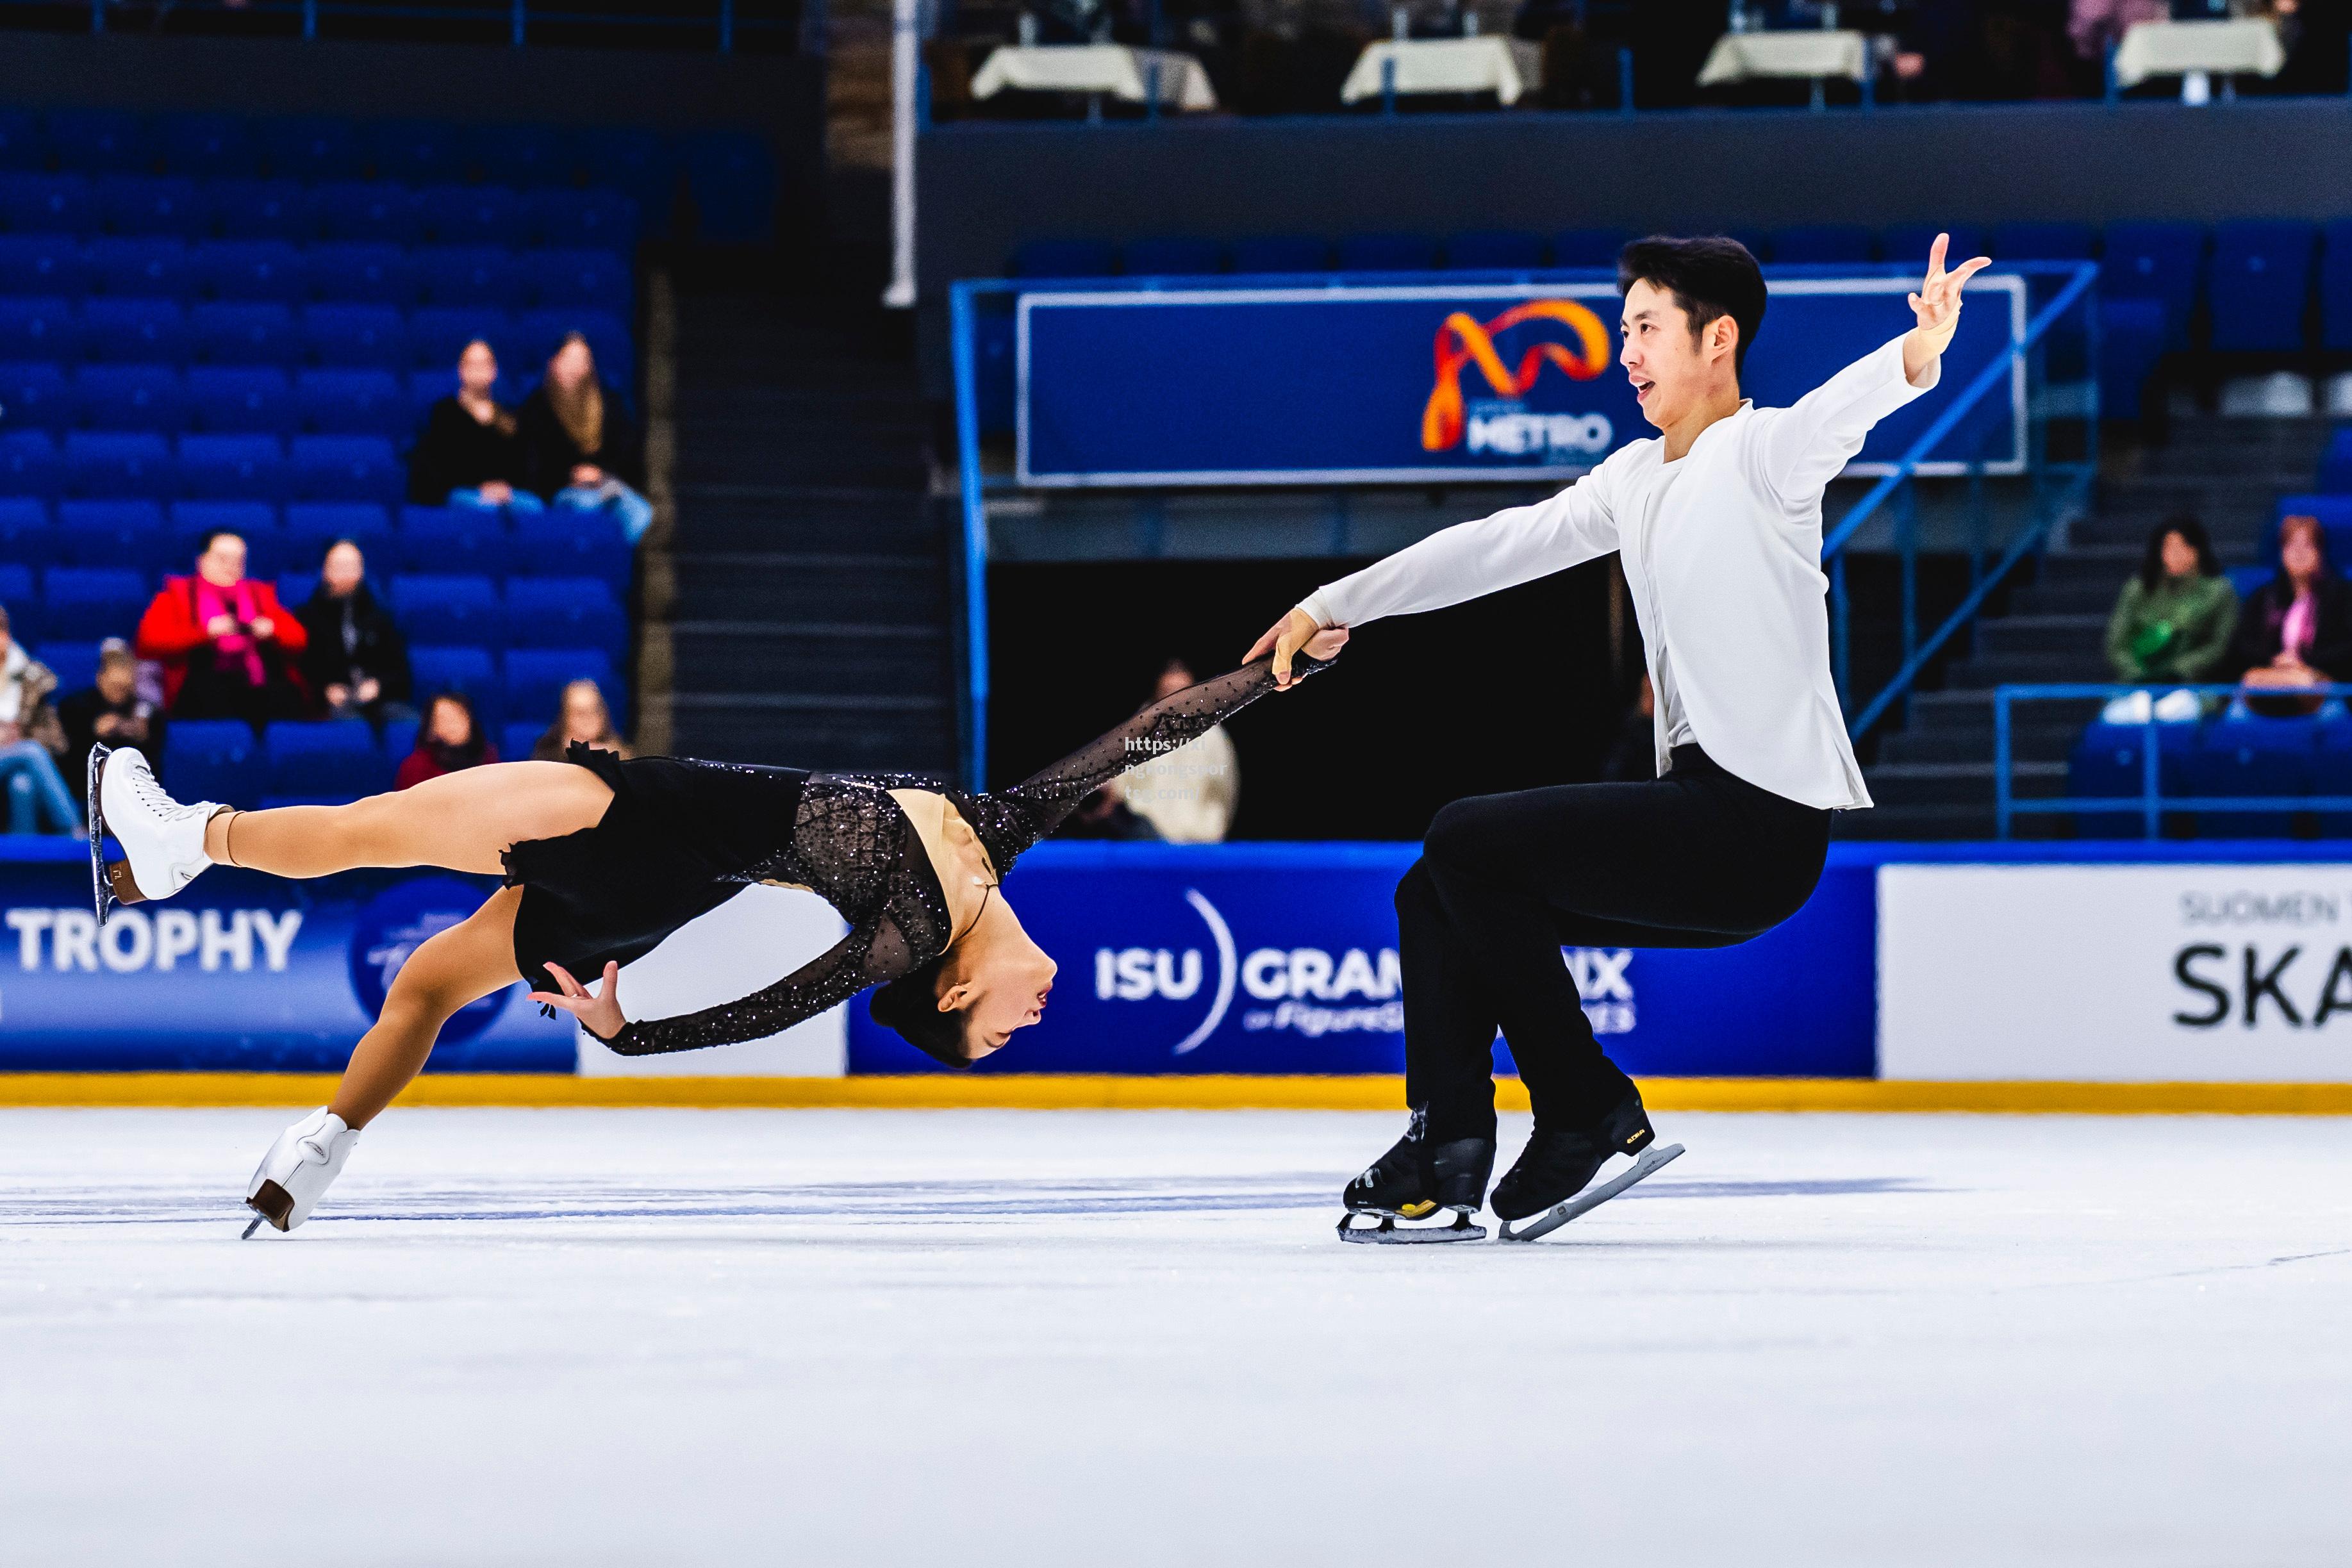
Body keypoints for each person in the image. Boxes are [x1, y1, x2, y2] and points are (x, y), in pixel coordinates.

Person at [88, 638, 1343, 1234]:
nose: (1028, 1022)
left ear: (953, 993)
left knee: (386, 824)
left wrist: (638, 1033)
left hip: (646, 822)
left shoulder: (913, 925)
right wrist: (1273, 675)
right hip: (649, 878)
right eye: (1014, 1032)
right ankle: (319, 1147)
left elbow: (779, 1004)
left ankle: (183, 837)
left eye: (997, 1034)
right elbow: (1141, 738)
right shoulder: (996, 830)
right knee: (427, 977)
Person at [1249, 232, 1987, 1241]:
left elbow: (1843, 409)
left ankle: (1584, 1100)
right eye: (1622, 329)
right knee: (1434, 890)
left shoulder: (1764, 454)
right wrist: (1341, 599)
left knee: (1464, 835)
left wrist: (1920, 348)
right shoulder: (1633, 478)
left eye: (1645, 328)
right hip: (1700, 819)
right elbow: (1496, 546)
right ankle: (1448, 1143)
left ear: (1716, 338)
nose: (1625, 352)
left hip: (1758, 825)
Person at [135, 529, 308, 730]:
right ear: (202, 561)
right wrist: (204, 633)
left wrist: (272, 630)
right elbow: (148, 640)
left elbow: (299, 639)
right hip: (200, 685)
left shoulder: (260, 594)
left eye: (238, 561)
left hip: (257, 686)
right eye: (222, 559)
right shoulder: (176, 595)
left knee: (286, 697)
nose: (231, 567)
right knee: (211, 694)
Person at [517, 332, 652, 546]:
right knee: (585, 505)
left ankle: (615, 559)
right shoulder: (536, 408)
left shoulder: (609, 403)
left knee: (641, 512)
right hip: (561, 490)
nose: (575, 368)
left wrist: (600, 474)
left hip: (606, 483)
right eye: (569, 360)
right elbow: (532, 466)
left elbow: (626, 453)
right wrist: (572, 476)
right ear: (554, 363)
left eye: (582, 361)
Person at [2101, 515, 2238, 724]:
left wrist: (2176, 671)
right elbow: (2116, 645)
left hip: (2191, 687)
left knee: (2171, 713)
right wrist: (2141, 674)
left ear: (2197, 551)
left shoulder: (2219, 592)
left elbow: (2218, 647)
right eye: (2168, 547)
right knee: (2118, 717)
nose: (2174, 555)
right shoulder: (2137, 590)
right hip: (2136, 687)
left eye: (2182, 547)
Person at [2228, 513, 2352, 718]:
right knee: (2236, 715)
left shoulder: (2342, 596)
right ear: (2281, 552)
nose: (2299, 553)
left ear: (2320, 552)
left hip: (2323, 689)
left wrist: (2305, 660)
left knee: (2333, 716)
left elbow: (2347, 648)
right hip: (2270, 687)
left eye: (2307, 546)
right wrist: (2275, 659)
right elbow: (2242, 644)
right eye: (2291, 546)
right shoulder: (2264, 597)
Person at [1107, 657, 1238, 843]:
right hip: (1144, 841)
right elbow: (1117, 789)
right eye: (1169, 693)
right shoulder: (1135, 733)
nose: (1176, 700)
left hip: (1197, 844)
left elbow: (1226, 790)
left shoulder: (1213, 737)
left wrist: (1212, 830)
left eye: (1183, 693)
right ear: (1157, 691)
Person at [407, 339, 540, 515]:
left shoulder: (510, 416)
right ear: (461, 370)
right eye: (473, 364)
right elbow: (439, 467)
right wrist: (481, 487)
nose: (479, 369)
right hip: (464, 493)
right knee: (482, 508)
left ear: (495, 370)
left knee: (533, 506)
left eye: (485, 363)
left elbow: (524, 463)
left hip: (508, 493)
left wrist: (505, 488)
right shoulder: (444, 414)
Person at [296, 540, 413, 725]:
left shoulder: (380, 617)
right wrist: (324, 690)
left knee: (408, 723)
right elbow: (300, 670)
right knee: (350, 725)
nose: (346, 574)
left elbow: (401, 672)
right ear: (325, 570)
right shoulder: (306, 617)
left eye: (352, 566)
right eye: (339, 566)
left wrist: (379, 686)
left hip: (379, 701)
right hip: (330, 704)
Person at [0, 605, 78, 836]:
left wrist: (20, 736)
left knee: (23, 785)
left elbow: (57, 740)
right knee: (31, 752)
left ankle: (20, 863)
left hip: (16, 757)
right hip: (23, 753)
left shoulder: (32, 680)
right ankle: (74, 828)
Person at [54, 639, 161, 800]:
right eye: (114, 686)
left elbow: (154, 753)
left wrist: (138, 732)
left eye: (124, 687)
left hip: (134, 793)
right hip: (84, 788)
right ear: (100, 678)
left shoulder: (145, 710)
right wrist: (94, 730)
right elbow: (68, 753)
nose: (119, 693)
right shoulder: (76, 706)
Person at [393, 693, 498, 790]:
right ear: (431, 730)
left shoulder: (488, 757)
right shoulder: (415, 766)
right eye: (443, 719)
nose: (452, 725)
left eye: (458, 716)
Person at [529, 678, 633, 762]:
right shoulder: (548, 759)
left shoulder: (623, 757)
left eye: (595, 710)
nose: (588, 718)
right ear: (565, 717)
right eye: (580, 712)